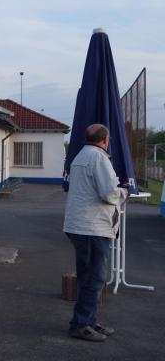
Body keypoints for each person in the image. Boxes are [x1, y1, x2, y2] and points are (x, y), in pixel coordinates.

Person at [63, 124, 127, 342]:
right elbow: (108, 193)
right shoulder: (99, 158)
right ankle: (81, 324)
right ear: (106, 140)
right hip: (92, 227)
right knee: (94, 278)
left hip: (80, 225)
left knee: (87, 276)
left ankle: (88, 321)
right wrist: (124, 191)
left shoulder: (81, 155)